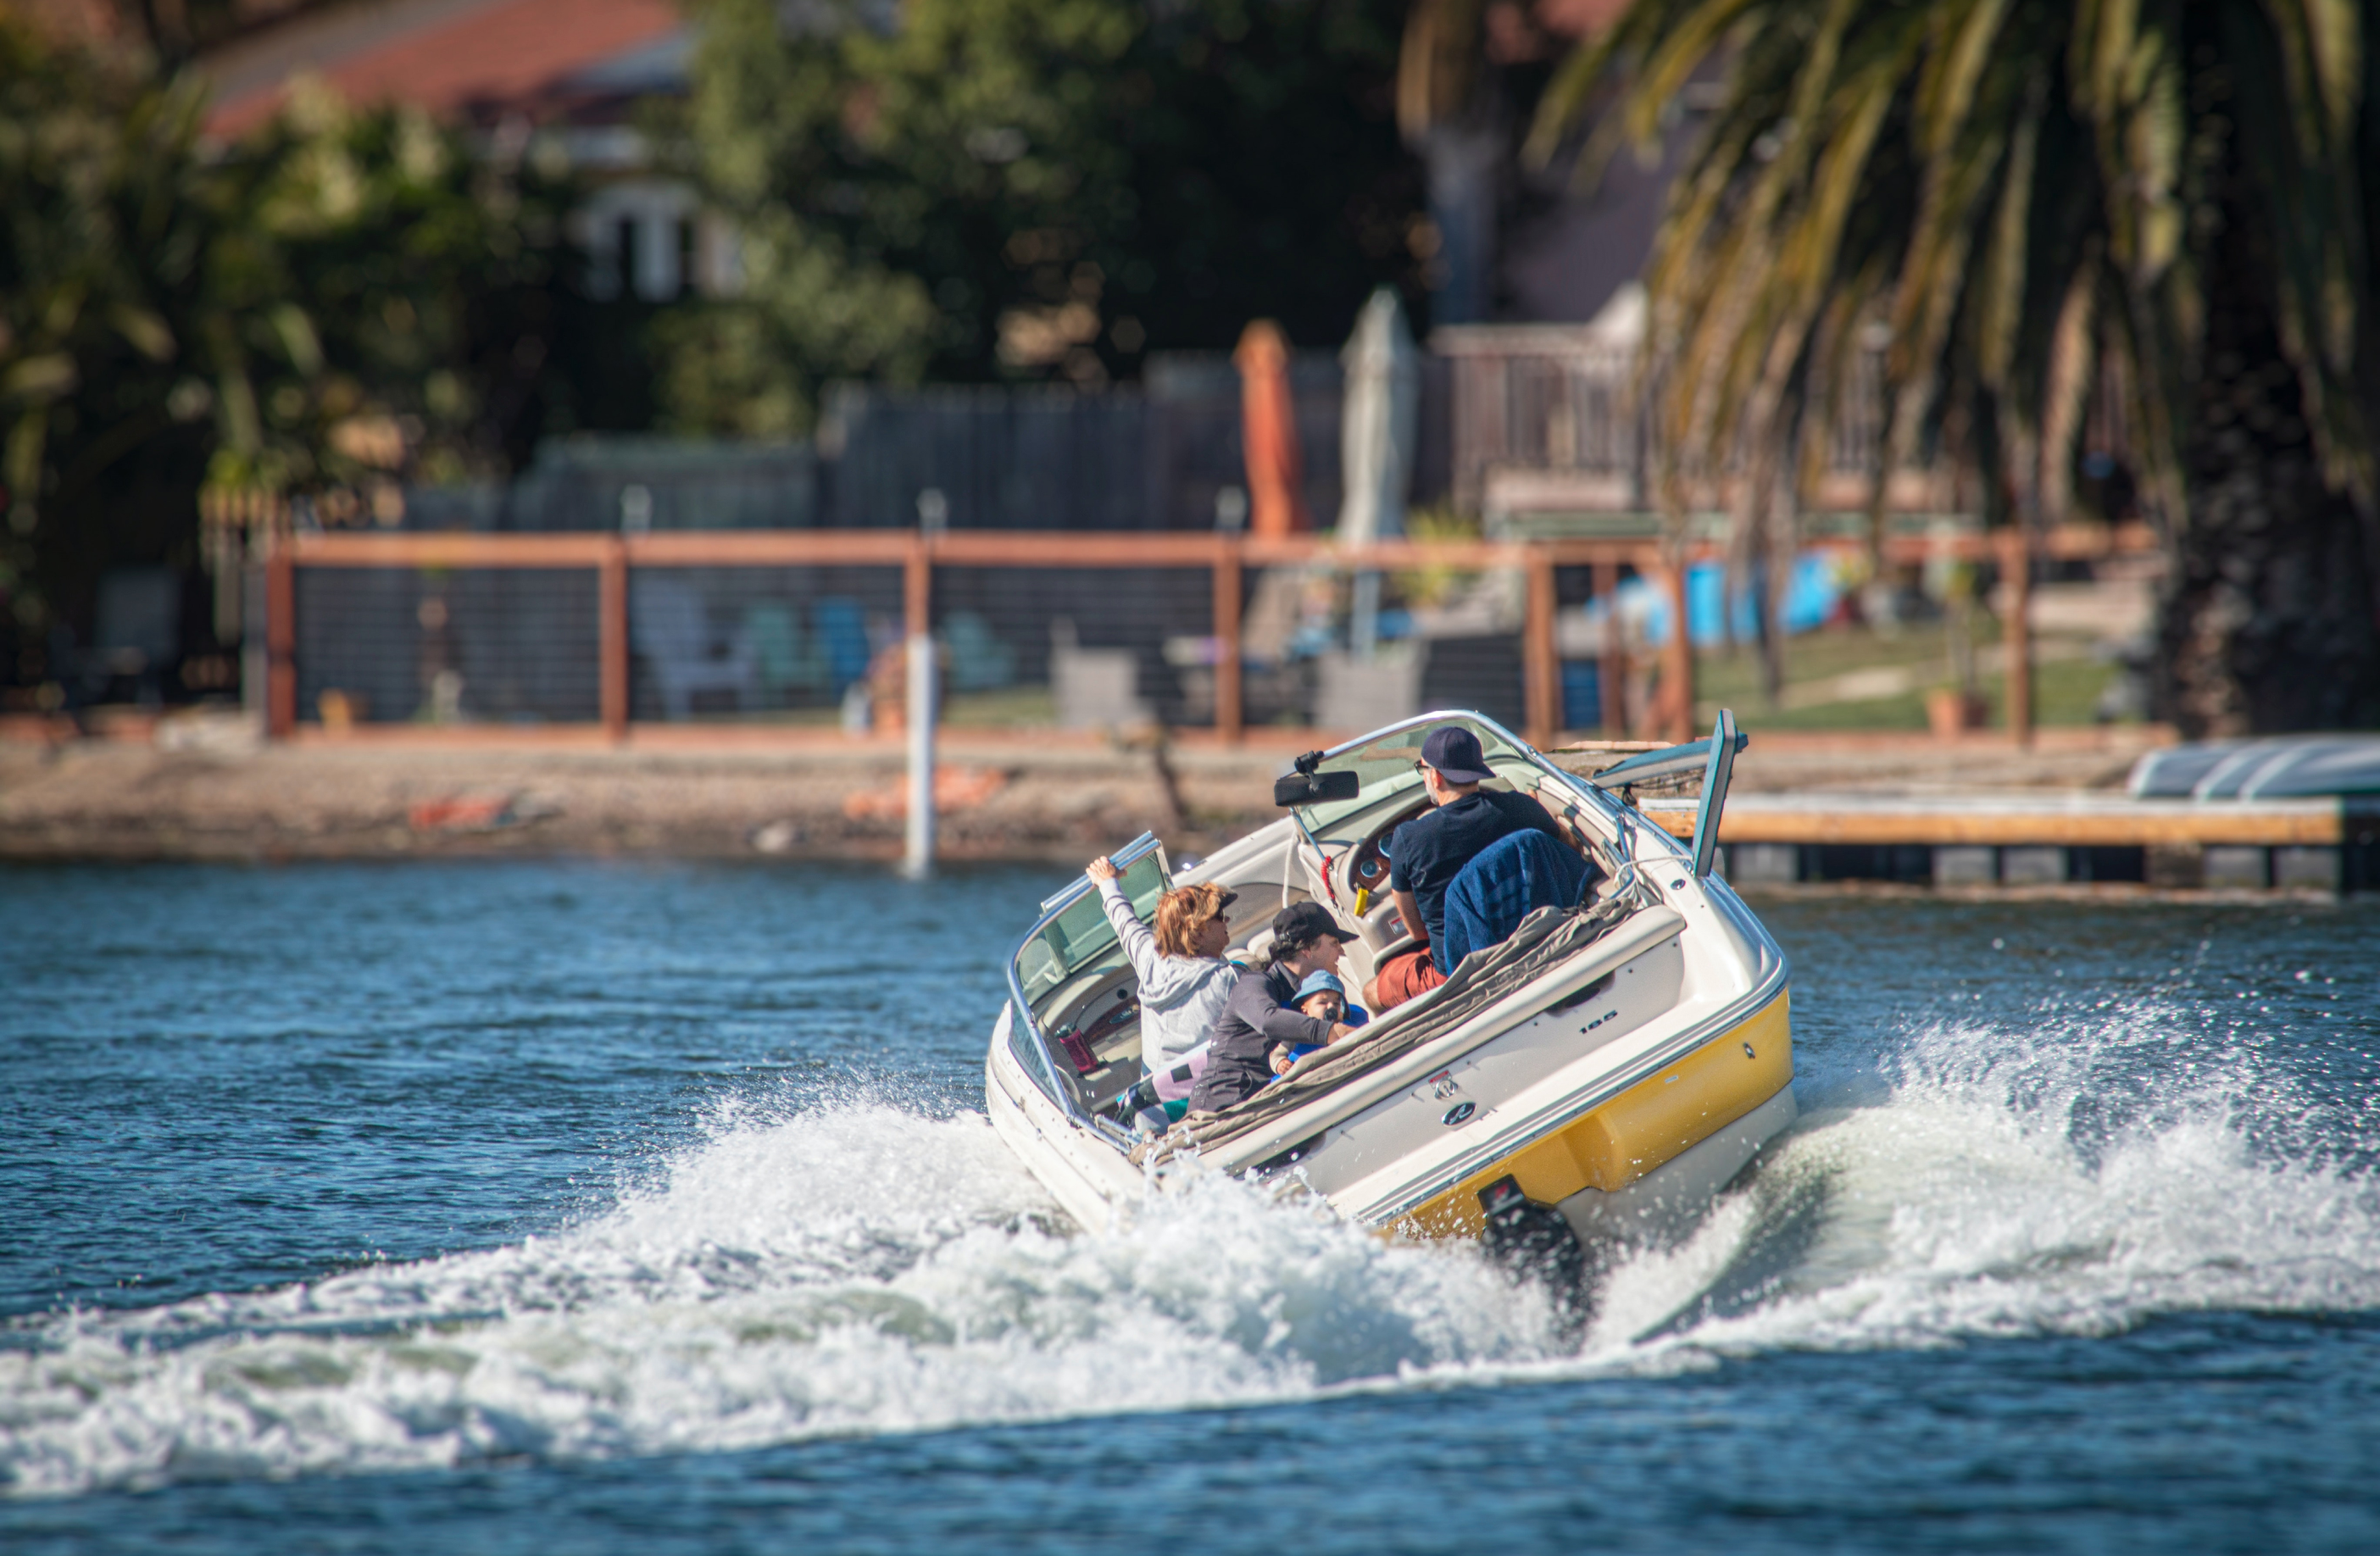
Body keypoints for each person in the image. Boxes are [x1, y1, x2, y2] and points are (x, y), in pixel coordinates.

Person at [1368, 725, 1571, 1013]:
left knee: (1371, 990)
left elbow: (1417, 932)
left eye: (1422, 769)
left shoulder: (1408, 838)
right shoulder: (1522, 809)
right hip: (1537, 936)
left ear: (1435, 776)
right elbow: (1562, 846)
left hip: (1458, 972)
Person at [1086, 857, 1237, 1108]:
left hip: (1156, 1104)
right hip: (1214, 1099)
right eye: (1219, 916)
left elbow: (1124, 921)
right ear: (1197, 931)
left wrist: (1107, 882)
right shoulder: (1229, 980)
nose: (1227, 920)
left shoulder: (1150, 960)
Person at [1188, 901, 1360, 1114]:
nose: (1341, 951)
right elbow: (1269, 1021)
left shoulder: (1318, 997)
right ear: (1306, 949)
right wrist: (1333, 1032)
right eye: (1333, 943)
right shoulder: (1253, 985)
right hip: (1223, 1110)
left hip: (1273, 1104)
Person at [1269, 969, 1369, 1079]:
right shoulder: (1298, 1034)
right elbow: (1275, 1055)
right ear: (1305, 1011)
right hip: (1309, 1077)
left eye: (1336, 1003)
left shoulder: (1349, 1026)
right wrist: (1280, 1063)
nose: (1331, 1007)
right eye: (1322, 1002)